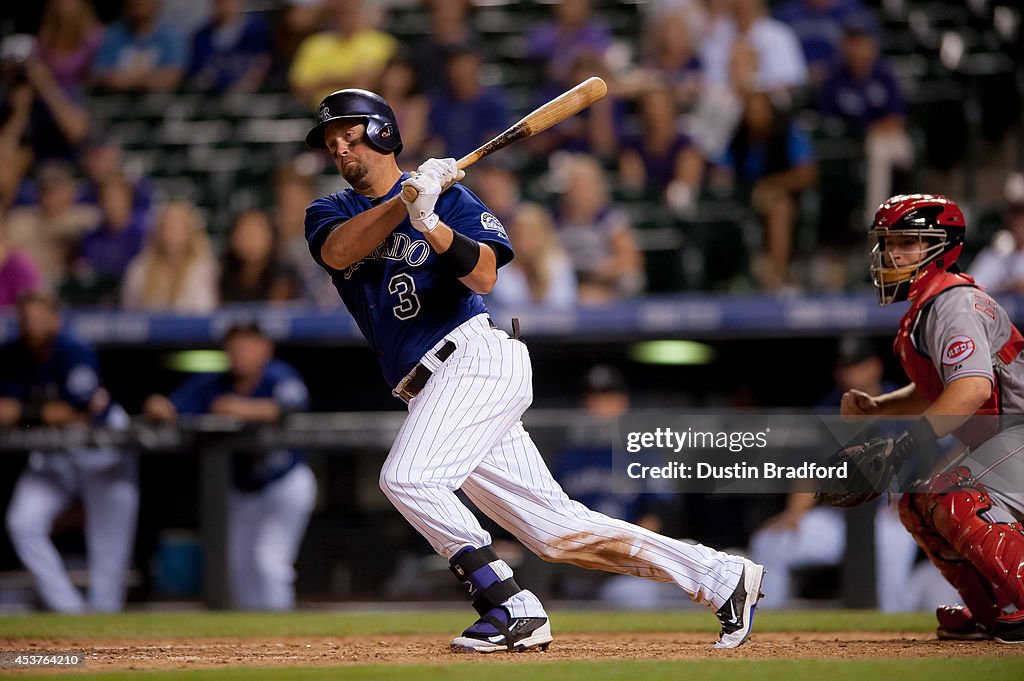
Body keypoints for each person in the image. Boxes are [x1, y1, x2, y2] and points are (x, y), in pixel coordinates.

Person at [302, 87, 766, 652]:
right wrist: (405, 201)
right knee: (554, 532)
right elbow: (339, 253)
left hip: (474, 360)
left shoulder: (450, 198)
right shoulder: (329, 211)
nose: (342, 150)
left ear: (383, 134)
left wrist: (431, 222)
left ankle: (509, 605)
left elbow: (484, 277)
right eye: (332, 144)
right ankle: (720, 577)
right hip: (428, 389)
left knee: (407, 478)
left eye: (351, 136)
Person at [836, 194, 1024, 643]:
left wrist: (902, 447)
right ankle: (993, 609)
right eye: (889, 242)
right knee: (918, 504)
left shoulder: (953, 303)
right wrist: (880, 407)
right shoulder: (931, 305)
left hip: (1017, 431)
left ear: (942, 247)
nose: (892, 253)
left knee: (953, 497)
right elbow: (937, 390)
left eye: (908, 242)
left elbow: (973, 388)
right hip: (1003, 439)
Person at [143, 321, 316, 611]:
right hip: (242, 489)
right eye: (235, 345)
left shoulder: (279, 376)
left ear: (265, 348)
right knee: (237, 566)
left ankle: (283, 638)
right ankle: (251, 643)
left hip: (284, 482)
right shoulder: (212, 383)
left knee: (269, 561)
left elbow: (289, 407)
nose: (240, 352)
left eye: (248, 344)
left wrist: (240, 407)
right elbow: (169, 408)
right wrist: (156, 405)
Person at [1, 291, 137, 613]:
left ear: (56, 321)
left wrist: (26, 412)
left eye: (40, 319)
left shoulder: (73, 350)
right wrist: (48, 412)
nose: (33, 326)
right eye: (26, 320)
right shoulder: (11, 354)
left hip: (101, 450)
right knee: (22, 521)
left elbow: (84, 410)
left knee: (108, 546)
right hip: (54, 452)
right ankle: (71, 612)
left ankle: (105, 626)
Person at [120, 199, 218, 312]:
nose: (170, 232)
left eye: (177, 226)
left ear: (190, 231)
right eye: (166, 226)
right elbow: (130, 315)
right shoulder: (139, 269)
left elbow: (206, 309)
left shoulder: (204, 267)